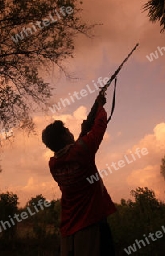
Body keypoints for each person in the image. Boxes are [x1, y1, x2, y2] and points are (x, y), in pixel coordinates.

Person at [42, 92, 116, 256]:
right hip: (91, 226)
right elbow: (99, 127)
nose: (70, 131)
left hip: (68, 230)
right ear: (63, 136)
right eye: (67, 130)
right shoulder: (81, 150)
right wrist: (101, 107)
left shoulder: (53, 164)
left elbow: (75, 152)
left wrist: (84, 130)